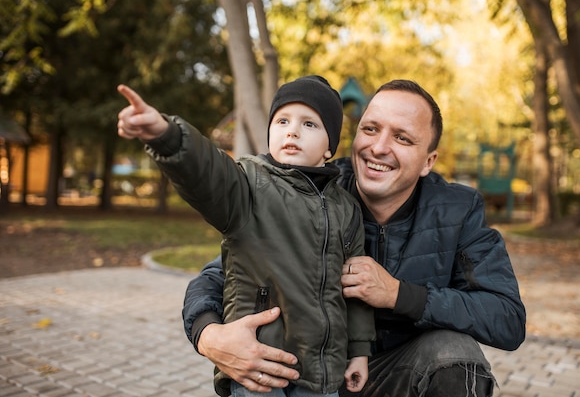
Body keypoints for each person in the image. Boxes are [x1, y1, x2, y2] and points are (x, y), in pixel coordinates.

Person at [182, 79, 527, 397]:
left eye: (402, 138)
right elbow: (219, 274)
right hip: (317, 376)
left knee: (456, 355)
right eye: (371, 129)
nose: (379, 147)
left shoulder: (457, 211)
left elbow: (507, 318)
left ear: (428, 161)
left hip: (398, 376)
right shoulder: (314, 189)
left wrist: (398, 294)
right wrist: (210, 337)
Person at [116, 76, 376, 397]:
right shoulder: (249, 184)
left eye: (309, 124)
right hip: (258, 363)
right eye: (282, 120)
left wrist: (359, 351)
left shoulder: (346, 209)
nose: (292, 130)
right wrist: (166, 135)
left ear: (329, 148)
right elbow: (207, 172)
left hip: (322, 372)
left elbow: (354, 288)